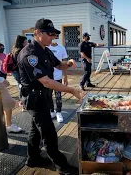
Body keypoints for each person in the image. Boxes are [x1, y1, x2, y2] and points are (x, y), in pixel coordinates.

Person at [17, 18, 83, 174]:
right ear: (37, 33)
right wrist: (72, 90)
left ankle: (33, 158)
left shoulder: (45, 50)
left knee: (36, 129)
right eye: (50, 33)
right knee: (49, 133)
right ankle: (62, 166)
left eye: (55, 34)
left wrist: (68, 62)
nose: (53, 37)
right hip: (35, 99)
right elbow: (46, 81)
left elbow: (58, 64)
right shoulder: (29, 54)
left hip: (44, 97)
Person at [48, 35, 68, 122]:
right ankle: (52, 111)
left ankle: (59, 112)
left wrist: (65, 77)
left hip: (58, 76)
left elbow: (64, 64)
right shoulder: (46, 48)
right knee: (48, 96)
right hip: (48, 77)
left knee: (58, 96)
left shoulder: (62, 48)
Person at [11, 35, 28, 110]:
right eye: (25, 42)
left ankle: (22, 103)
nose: (27, 43)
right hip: (19, 72)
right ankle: (23, 104)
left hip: (15, 72)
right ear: (22, 42)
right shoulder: (20, 51)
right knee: (23, 87)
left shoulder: (14, 50)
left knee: (20, 87)